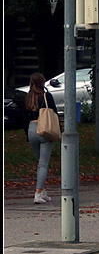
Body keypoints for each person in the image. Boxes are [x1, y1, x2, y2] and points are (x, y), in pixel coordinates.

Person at [24, 72, 56, 204]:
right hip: (44, 129)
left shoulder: (29, 97)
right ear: (42, 82)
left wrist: (27, 134)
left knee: (40, 162)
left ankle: (42, 190)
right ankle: (38, 193)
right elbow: (53, 111)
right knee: (43, 164)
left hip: (31, 129)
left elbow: (23, 116)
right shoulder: (46, 96)